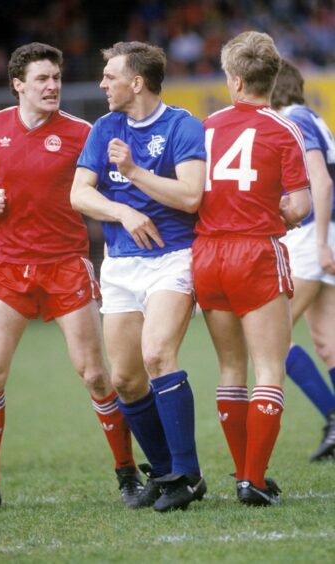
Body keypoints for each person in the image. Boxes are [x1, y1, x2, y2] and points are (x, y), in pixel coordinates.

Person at [0, 42, 139, 513]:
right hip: (9, 267)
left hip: (65, 264)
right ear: (18, 84)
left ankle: (128, 474)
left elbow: (114, 183)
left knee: (97, 376)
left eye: (56, 78)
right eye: (41, 79)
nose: (52, 86)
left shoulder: (83, 132)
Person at [71, 41, 206, 512]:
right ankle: (168, 471)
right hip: (122, 263)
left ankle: (187, 474)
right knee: (126, 379)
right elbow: (79, 195)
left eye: (110, 76)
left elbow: (191, 197)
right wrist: (123, 212)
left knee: (156, 354)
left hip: (174, 257)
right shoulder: (103, 127)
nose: (102, 84)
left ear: (137, 82)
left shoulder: (183, 125)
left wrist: (134, 171)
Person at [193, 31, 311, 506]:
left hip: (206, 255)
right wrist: (280, 210)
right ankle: (254, 480)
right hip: (255, 254)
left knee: (229, 367)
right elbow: (300, 205)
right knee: (269, 368)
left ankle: (244, 472)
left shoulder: (206, 126)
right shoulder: (284, 129)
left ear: (235, 81)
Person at [271, 59, 335, 462]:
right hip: (321, 234)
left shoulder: (292, 119)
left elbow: (322, 181)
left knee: (270, 333)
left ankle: (332, 415)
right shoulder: (308, 115)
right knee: (327, 342)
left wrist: (321, 241)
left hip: (313, 236)